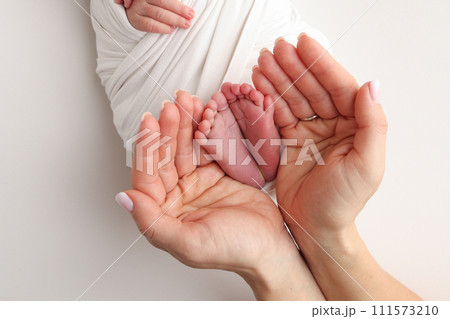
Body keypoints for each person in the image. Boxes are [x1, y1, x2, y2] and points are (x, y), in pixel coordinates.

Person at [115, 34, 421, 301]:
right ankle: (259, 164)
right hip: (299, 119)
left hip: (283, 112)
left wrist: (275, 264)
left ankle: (254, 167)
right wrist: (325, 232)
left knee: (289, 59)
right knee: (298, 72)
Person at [91, 0, 329, 187]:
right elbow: (111, 18)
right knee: (293, 63)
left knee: (300, 55)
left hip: (177, 98)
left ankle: (246, 149)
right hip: (156, 60)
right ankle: (251, 148)